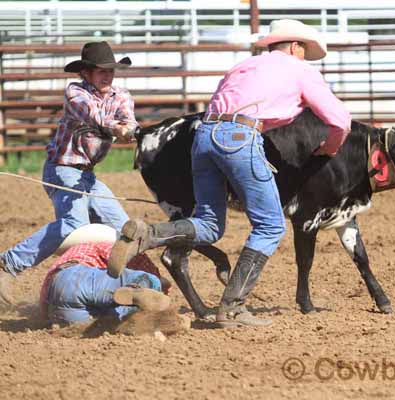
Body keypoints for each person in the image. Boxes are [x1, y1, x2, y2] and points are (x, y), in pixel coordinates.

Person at [107, 19, 351, 328]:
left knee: (208, 224)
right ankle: (232, 308)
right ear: (294, 46)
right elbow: (340, 120)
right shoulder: (300, 70)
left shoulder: (244, 66)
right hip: (239, 137)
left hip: (204, 135)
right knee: (271, 226)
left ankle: (147, 234)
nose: (305, 57)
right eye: (304, 50)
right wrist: (329, 149)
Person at [0, 41, 137, 303]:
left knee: (124, 229)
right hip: (62, 170)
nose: (108, 76)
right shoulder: (75, 92)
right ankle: (8, 263)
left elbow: (128, 120)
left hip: (88, 175)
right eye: (101, 71)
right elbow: (92, 116)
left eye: (111, 71)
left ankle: (132, 281)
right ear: (86, 73)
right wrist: (117, 129)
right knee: (75, 224)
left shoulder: (121, 95)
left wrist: (128, 129)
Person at [40, 228, 170, 326]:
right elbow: (144, 270)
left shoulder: (75, 252)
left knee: (100, 324)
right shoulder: (110, 246)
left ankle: (119, 314)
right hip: (79, 280)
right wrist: (160, 281)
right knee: (150, 281)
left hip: (52, 300)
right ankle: (130, 304)